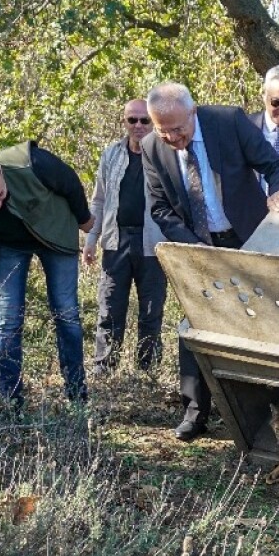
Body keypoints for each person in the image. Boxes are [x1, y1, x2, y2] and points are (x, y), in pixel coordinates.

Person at [141, 82, 279, 442]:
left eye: (178, 129)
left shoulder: (227, 122)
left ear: (193, 112)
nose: (172, 138)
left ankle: (272, 410)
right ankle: (195, 413)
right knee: (195, 324)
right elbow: (159, 208)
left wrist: (277, 193)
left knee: (264, 319)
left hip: (248, 237)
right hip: (197, 247)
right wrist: (195, 247)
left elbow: (274, 165)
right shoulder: (151, 148)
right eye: (163, 130)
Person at [0, 143, 93, 406]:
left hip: (54, 230)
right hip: (9, 245)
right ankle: (10, 400)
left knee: (66, 313)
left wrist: (85, 222)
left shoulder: (33, 163)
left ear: (0, 171)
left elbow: (70, 183)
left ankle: (77, 396)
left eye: (0, 194)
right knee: (8, 319)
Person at [83, 99, 168, 374]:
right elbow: (99, 200)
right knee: (110, 308)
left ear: (153, 122)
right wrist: (91, 240)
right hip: (115, 241)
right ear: (124, 122)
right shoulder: (112, 154)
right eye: (133, 120)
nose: (139, 126)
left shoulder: (165, 153)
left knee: (151, 311)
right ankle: (104, 369)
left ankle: (148, 371)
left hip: (153, 243)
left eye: (145, 120)